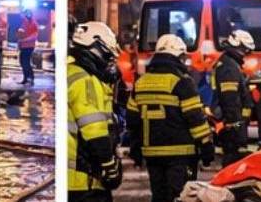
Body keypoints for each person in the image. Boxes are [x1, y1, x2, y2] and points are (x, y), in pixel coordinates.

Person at [126, 34, 214, 202]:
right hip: (181, 155)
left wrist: (135, 148)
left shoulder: (141, 83)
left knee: (159, 197)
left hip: (152, 155)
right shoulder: (182, 82)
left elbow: (132, 121)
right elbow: (195, 119)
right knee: (180, 197)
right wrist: (206, 146)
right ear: (177, 56)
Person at [67, 21, 123, 201]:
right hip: (82, 181)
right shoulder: (85, 80)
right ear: (96, 50)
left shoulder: (71, 72)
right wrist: (109, 164)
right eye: (107, 57)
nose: (108, 64)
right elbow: (94, 129)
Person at [211, 29, 254, 166]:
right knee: (232, 161)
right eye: (244, 50)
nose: (245, 54)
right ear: (237, 46)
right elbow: (230, 101)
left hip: (232, 123)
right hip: (232, 125)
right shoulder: (229, 67)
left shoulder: (229, 63)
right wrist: (237, 127)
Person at [16, 9, 40, 85]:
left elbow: (34, 36)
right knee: (23, 63)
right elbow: (20, 35)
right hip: (23, 46)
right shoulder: (24, 23)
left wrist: (23, 41)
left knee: (26, 63)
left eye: (26, 14)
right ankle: (26, 78)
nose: (24, 15)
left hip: (29, 46)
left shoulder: (33, 23)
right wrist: (19, 44)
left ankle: (30, 78)